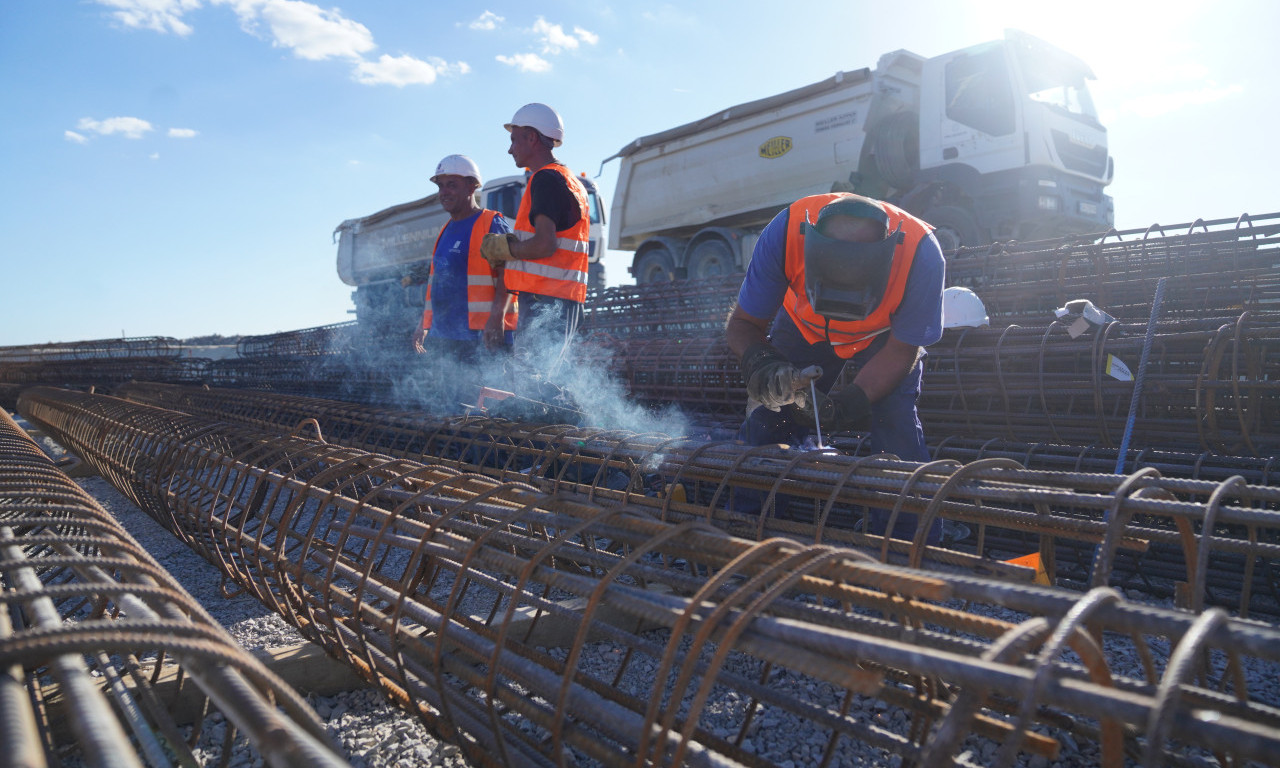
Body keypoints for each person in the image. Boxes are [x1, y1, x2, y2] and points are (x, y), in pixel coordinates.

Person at [724, 192, 946, 543]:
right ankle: (749, 525)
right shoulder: (785, 234)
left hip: (883, 336)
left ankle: (907, 540)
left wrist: (851, 403)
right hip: (803, 327)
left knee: (895, 422)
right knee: (771, 415)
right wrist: (763, 364)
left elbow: (902, 349)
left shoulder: (922, 254)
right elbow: (743, 325)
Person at [479, 103, 590, 376]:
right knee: (544, 382)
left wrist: (506, 248)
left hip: (547, 302)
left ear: (531, 137)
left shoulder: (545, 179)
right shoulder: (568, 180)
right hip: (560, 300)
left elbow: (544, 244)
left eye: (514, 140)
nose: (510, 149)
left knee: (530, 383)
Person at [411, 154, 517, 407]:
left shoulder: (491, 222)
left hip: (482, 338)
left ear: (472, 186)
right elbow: (438, 285)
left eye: (452, 185)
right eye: (441, 186)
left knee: (488, 413)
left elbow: (509, 273)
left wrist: (496, 318)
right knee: (452, 411)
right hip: (446, 338)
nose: (444, 192)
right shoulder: (445, 230)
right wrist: (423, 324)